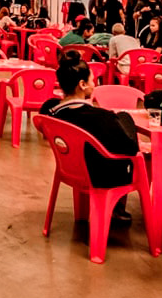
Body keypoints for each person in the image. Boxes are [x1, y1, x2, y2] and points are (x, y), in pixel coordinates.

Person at [37, 50, 141, 228]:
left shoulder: (51, 112)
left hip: (69, 169)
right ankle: (117, 208)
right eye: (93, 80)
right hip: (99, 175)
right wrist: (124, 118)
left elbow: (41, 121)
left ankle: (116, 210)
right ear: (82, 84)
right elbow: (130, 148)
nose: (95, 84)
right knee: (137, 154)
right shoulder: (99, 118)